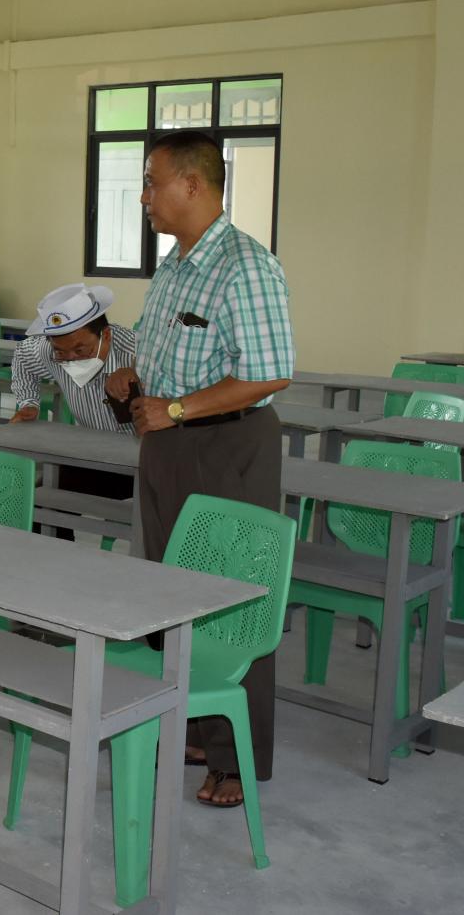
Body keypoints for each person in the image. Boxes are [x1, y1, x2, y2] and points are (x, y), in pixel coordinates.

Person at [105, 129, 294, 810]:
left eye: (151, 183)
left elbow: (271, 373)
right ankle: (193, 724)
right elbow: (168, 351)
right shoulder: (175, 265)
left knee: (231, 597)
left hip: (226, 447)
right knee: (170, 590)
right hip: (167, 443)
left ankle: (236, 756)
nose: (145, 197)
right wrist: (133, 375)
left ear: (191, 184)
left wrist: (178, 407)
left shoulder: (246, 267)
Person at [9, 283, 138, 539]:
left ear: (106, 335)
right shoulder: (50, 351)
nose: (70, 359)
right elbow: (22, 357)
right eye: (61, 351)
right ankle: (54, 558)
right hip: (93, 458)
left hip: (146, 463)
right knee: (39, 503)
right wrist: (29, 402)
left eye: (81, 350)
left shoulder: (140, 352)